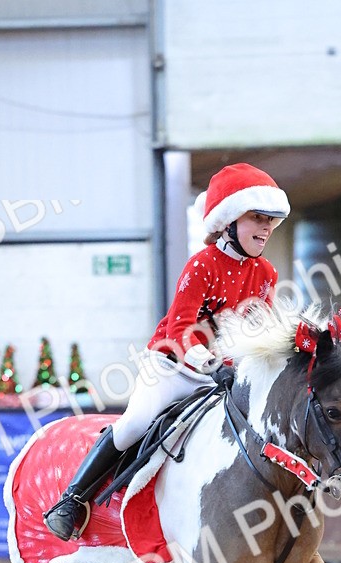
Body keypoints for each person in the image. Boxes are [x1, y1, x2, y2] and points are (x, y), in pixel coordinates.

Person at [44, 162, 290, 540]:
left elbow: (263, 332)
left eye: (270, 221)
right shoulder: (202, 264)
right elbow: (179, 329)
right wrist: (211, 365)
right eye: (257, 218)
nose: (266, 228)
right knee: (135, 425)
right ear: (228, 222)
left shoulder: (266, 274)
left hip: (220, 378)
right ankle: (72, 501)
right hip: (171, 367)